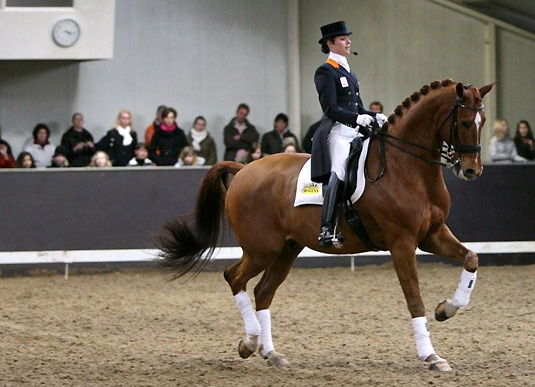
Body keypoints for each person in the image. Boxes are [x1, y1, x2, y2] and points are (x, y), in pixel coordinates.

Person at [312, 21, 388, 248]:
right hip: (337, 132)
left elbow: (357, 107)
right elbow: (330, 108)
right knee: (340, 169)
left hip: (355, 131)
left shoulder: (349, 73)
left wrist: (374, 116)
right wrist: (356, 119)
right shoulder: (325, 72)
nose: (348, 41)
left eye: (348, 38)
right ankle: (326, 228)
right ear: (330, 43)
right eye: (343, 38)